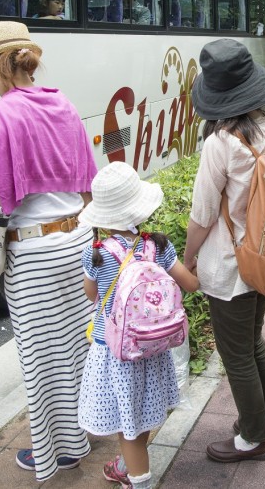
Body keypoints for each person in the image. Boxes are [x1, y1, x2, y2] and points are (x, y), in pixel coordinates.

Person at [0, 20, 98, 480]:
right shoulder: (62, 103)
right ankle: (82, 431)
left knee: (40, 355)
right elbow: (87, 181)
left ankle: (58, 453)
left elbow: (6, 195)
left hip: (35, 250)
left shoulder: (2, 114)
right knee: (76, 346)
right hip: (77, 240)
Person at [184, 38, 265, 463]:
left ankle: (253, 437)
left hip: (230, 264)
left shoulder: (220, 143)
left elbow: (203, 214)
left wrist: (188, 258)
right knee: (251, 340)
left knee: (235, 354)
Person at [76, 162, 200, 489]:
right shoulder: (156, 245)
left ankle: (138, 480)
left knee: (127, 423)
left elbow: (92, 296)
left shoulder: (96, 255)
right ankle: (128, 464)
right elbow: (190, 284)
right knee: (140, 414)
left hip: (115, 353)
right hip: (152, 346)